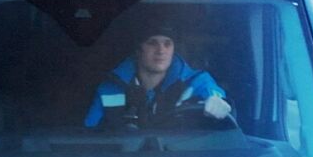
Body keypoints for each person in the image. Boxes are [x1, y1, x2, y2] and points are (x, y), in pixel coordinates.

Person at [83, 23, 232, 128]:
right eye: (152, 43)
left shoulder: (197, 81)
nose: (161, 50)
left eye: (167, 43)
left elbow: (216, 96)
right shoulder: (110, 88)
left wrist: (217, 102)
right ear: (138, 50)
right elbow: (88, 135)